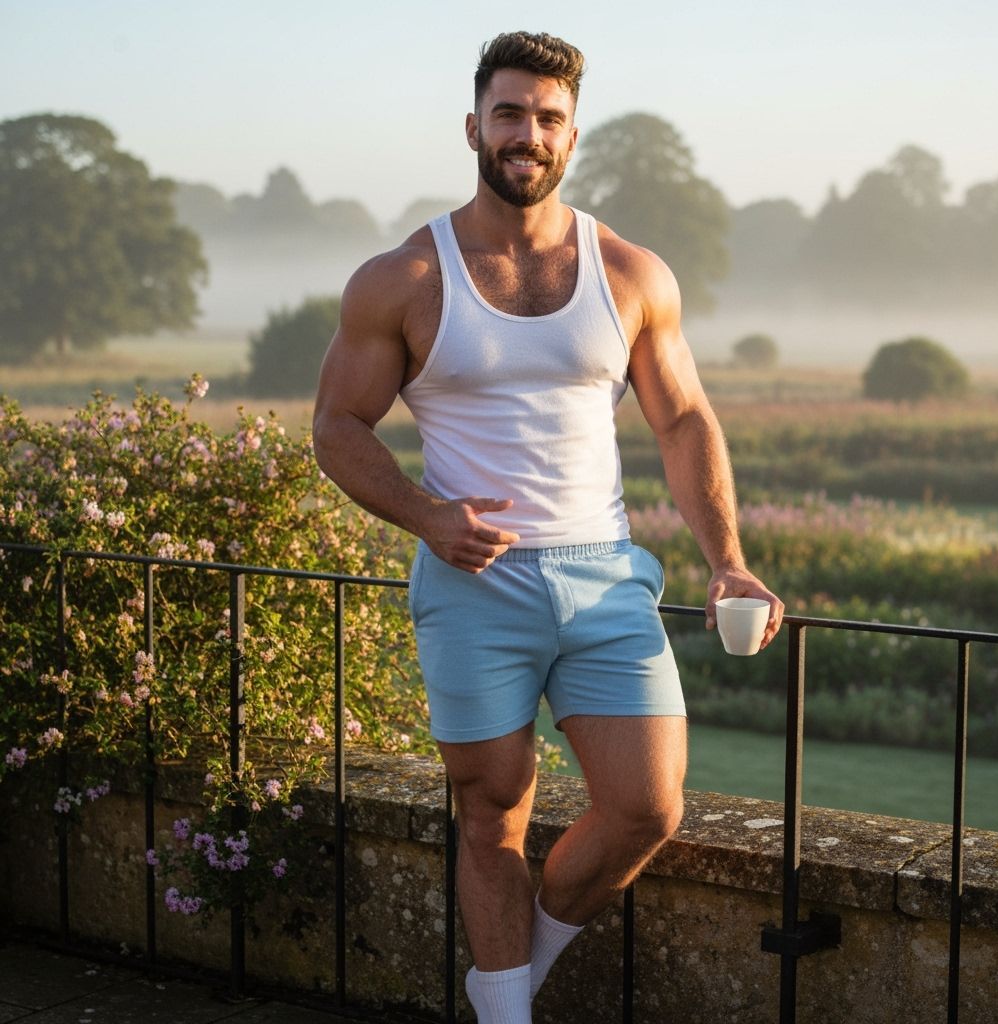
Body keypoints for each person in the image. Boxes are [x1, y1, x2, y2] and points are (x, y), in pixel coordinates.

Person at [313, 30, 784, 1024]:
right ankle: (509, 1016)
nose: (528, 133)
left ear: (573, 135)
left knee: (647, 808)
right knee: (491, 812)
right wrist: (425, 514)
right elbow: (336, 425)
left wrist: (730, 562)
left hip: (604, 578)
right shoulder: (402, 278)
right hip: (472, 582)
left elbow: (684, 418)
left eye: (548, 118)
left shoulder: (629, 274)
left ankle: (507, 982)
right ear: (474, 125)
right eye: (510, 114)